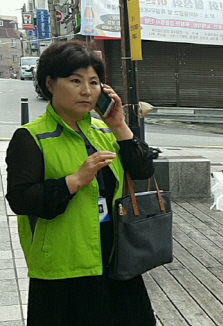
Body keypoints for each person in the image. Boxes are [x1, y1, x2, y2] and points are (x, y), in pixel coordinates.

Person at [5, 41, 156, 326]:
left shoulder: (104, 130)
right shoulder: (30, 137)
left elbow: (142, 169)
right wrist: (74, 181)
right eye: (75, 80)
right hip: (64, 268)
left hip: (115, 261)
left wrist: (120, 126)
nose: (87, 91)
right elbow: (21, 200)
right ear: (50, 83)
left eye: (94, 82)